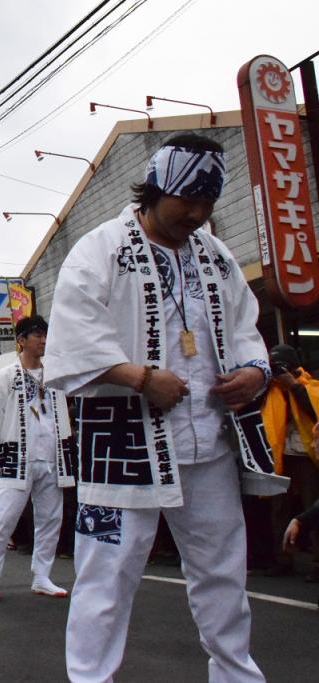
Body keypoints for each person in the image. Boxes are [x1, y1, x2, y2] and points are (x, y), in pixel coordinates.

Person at [45, 133, 285, 683]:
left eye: (207, 203)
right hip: (125, 441)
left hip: (208, 442)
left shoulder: (215, 255)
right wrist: (137, 376)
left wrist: (253, 371)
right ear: (156, 189)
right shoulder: (100, 248)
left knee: (223, 575)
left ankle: (235, 675)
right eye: (186, 201)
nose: (197, 214)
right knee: (106, 576)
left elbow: (247, 328)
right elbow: (73, 339)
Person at [0, 315, 74, 601]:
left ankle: (42, 575)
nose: (44, 340)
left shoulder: (55, 374)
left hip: (52, 454)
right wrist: (5, 442)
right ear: (21, 340)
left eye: (46, 335)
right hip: (17, 455)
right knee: (4, 517)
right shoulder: (6, 375)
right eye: (38, 336)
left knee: (50, 518)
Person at [260, 344, 319, 579]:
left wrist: (293, 386)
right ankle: (282, 558)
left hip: (306, 456)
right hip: (279, 457)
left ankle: (317, 563)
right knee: (279, 510)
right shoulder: (269, 391)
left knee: (312, 508)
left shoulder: (310, 387)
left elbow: (313, 411)